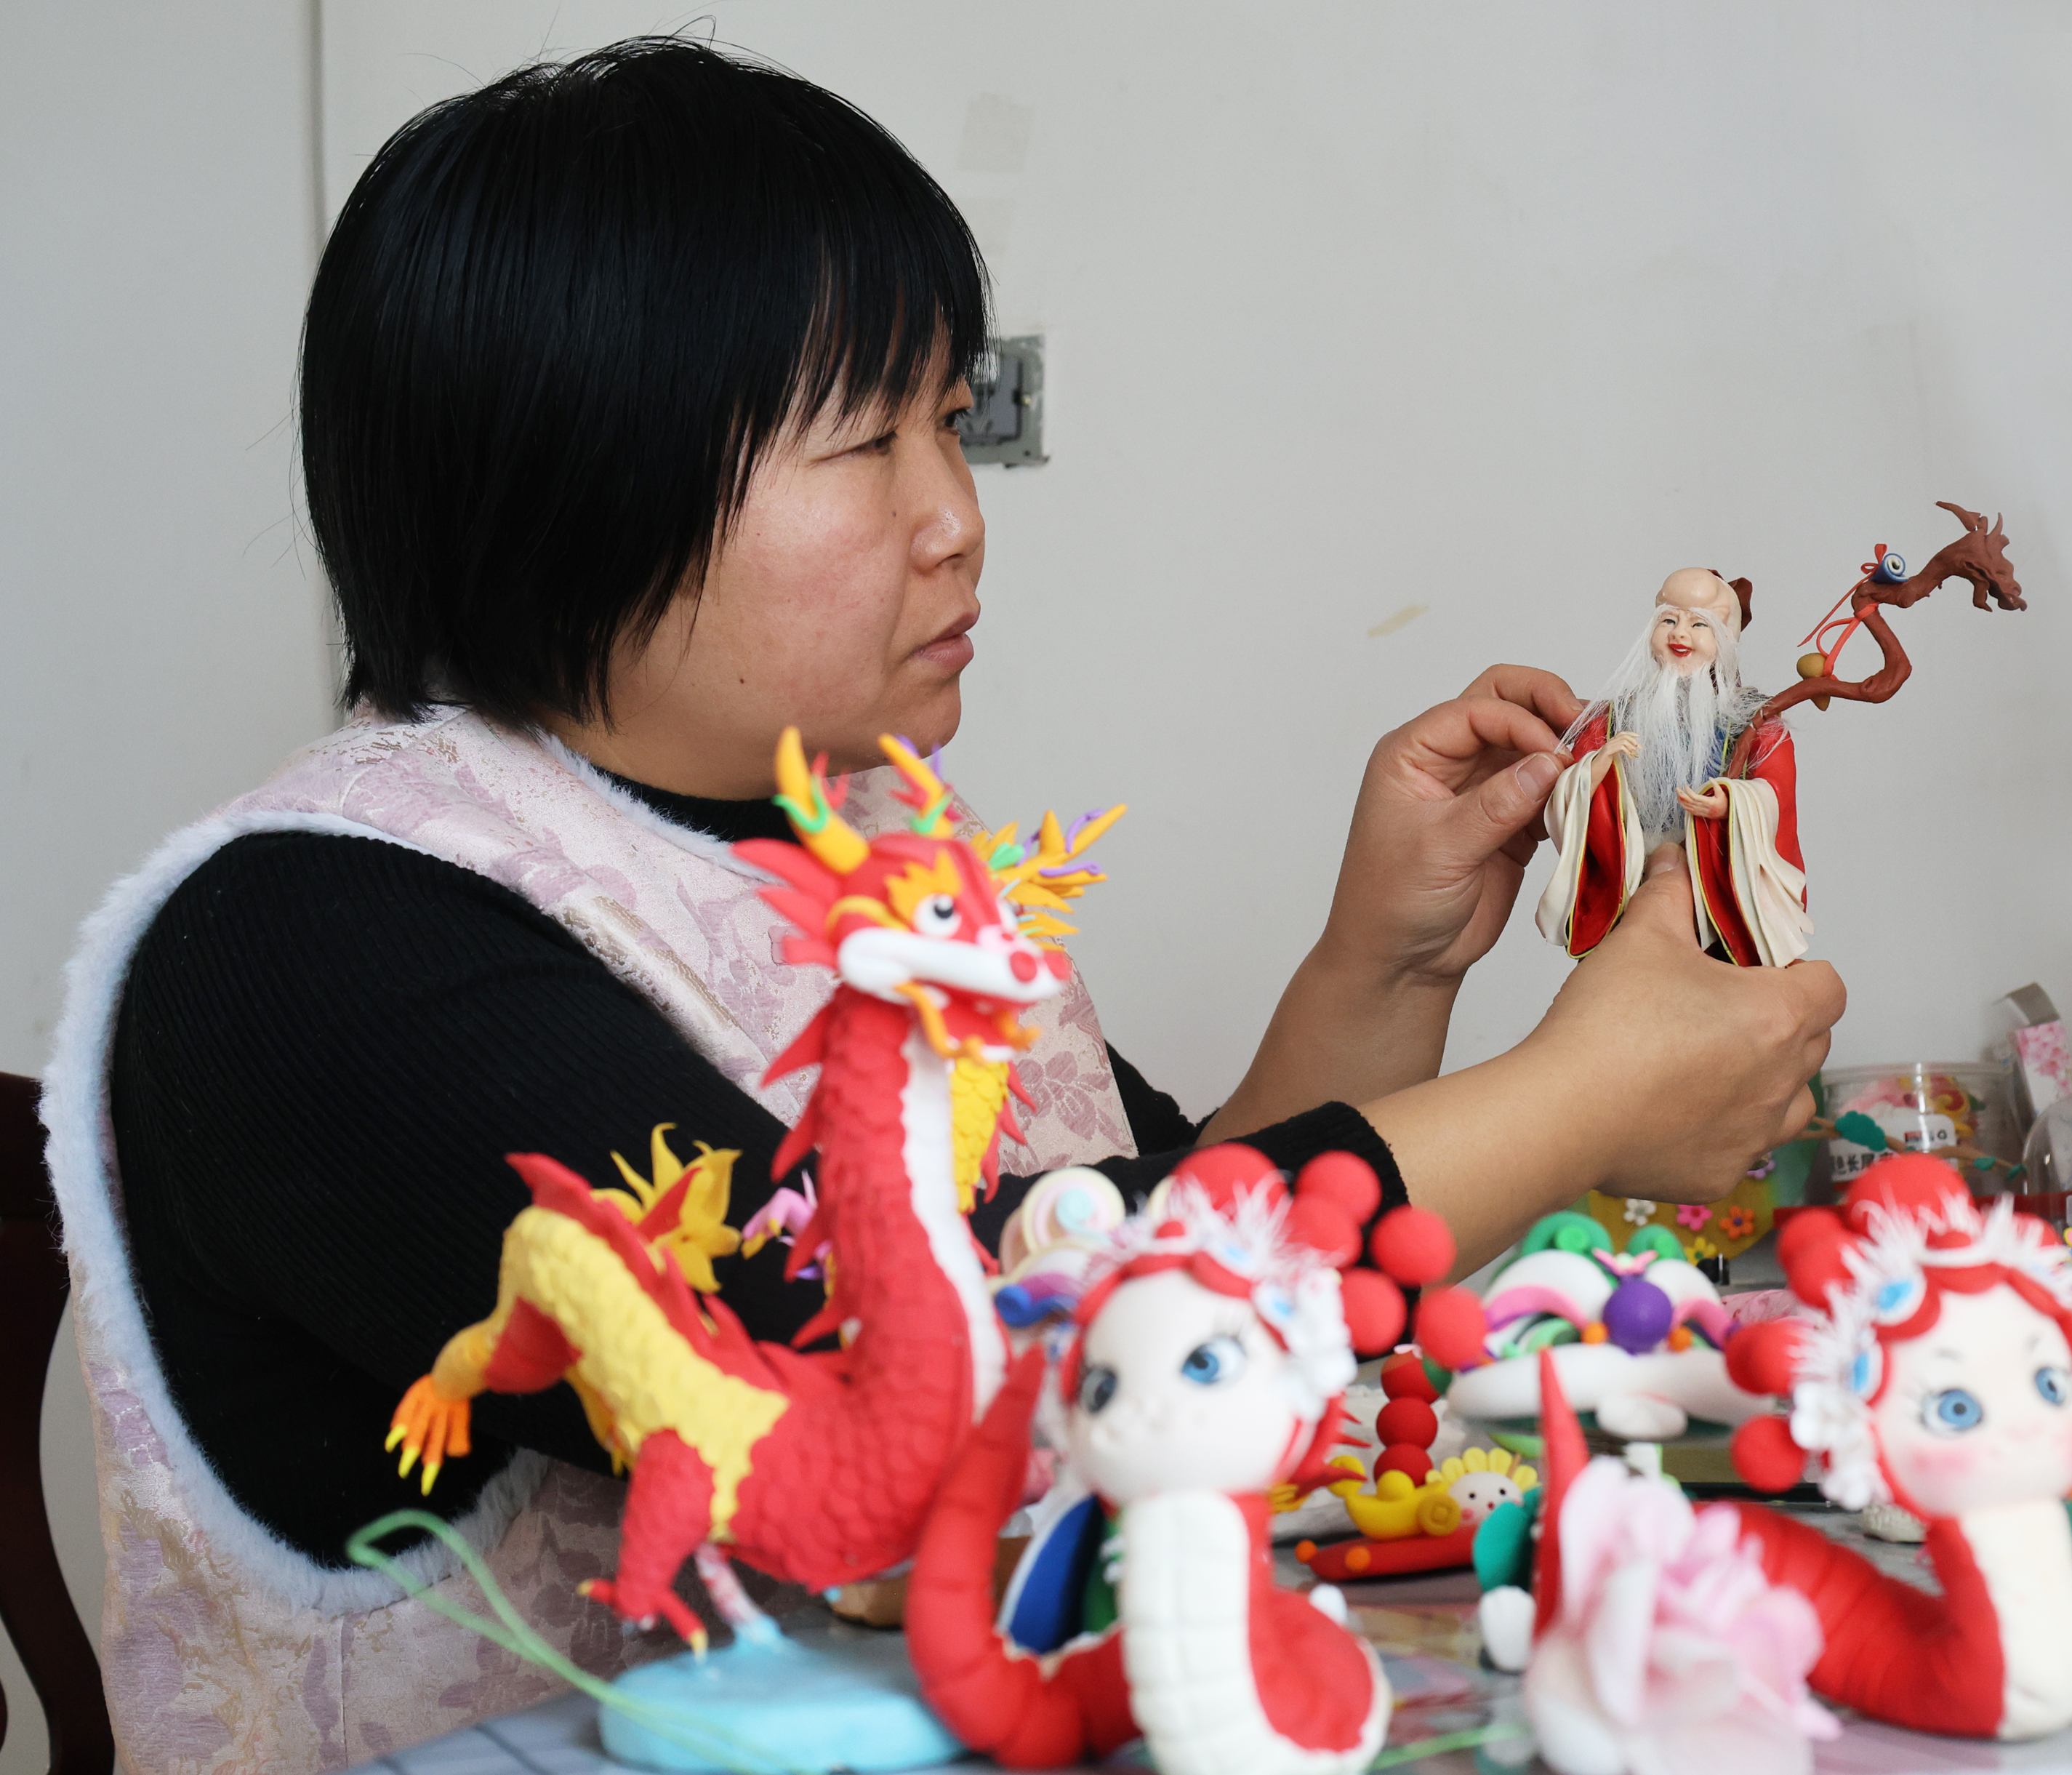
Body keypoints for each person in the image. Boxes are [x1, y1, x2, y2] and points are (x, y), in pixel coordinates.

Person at [41, 39, 1842, 1771]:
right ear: (568, 468)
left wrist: (1387, 958)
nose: (958, 516)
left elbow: (1131, 1237)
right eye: (862, 441)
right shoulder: (303, 937)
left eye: (951, 422)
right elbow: (927, 1383)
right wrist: (1574, 1101)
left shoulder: (873, 836)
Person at [1538, 567, 1813, 967]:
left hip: (1716, 877)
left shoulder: (1755, 723)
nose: (1679, 634)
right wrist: (1602, 761)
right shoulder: (1613, 719)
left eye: (1698, 624)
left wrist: (1732, 805)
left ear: (1724, 638)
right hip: (1634, 877)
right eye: (1669, 620)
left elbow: (1776, 790)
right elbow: (1569, 793)